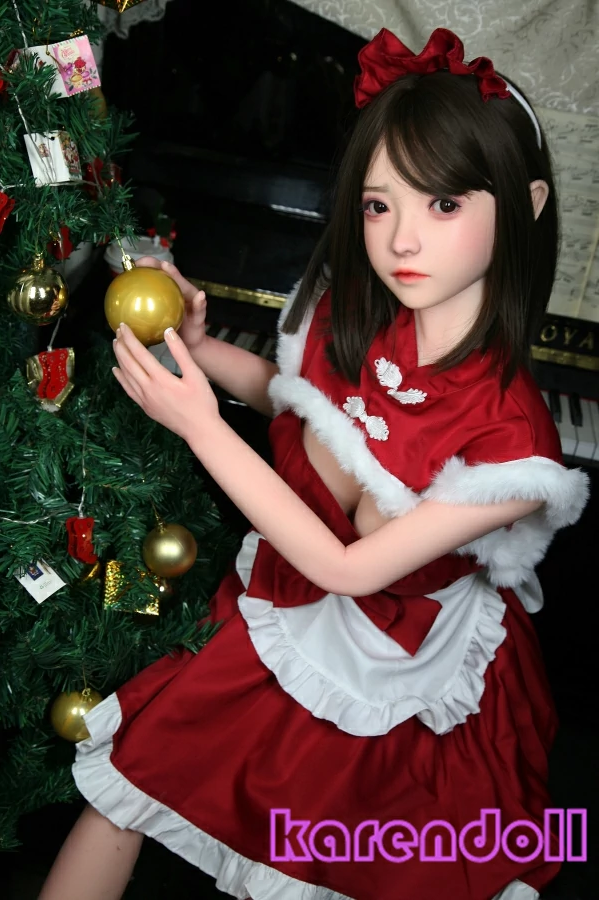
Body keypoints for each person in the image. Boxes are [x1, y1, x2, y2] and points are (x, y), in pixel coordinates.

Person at [40, 27, 589, 900]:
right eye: (378, 205)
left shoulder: (512, 445)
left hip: (397, 672)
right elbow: (297, 402)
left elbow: (347, 567)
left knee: (335, 869)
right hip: (283, 602)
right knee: (132, 779)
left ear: (525, 205)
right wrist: (201, 352)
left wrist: (200, 428)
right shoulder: (359, 314)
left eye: (444, 204)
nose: (402, 240)